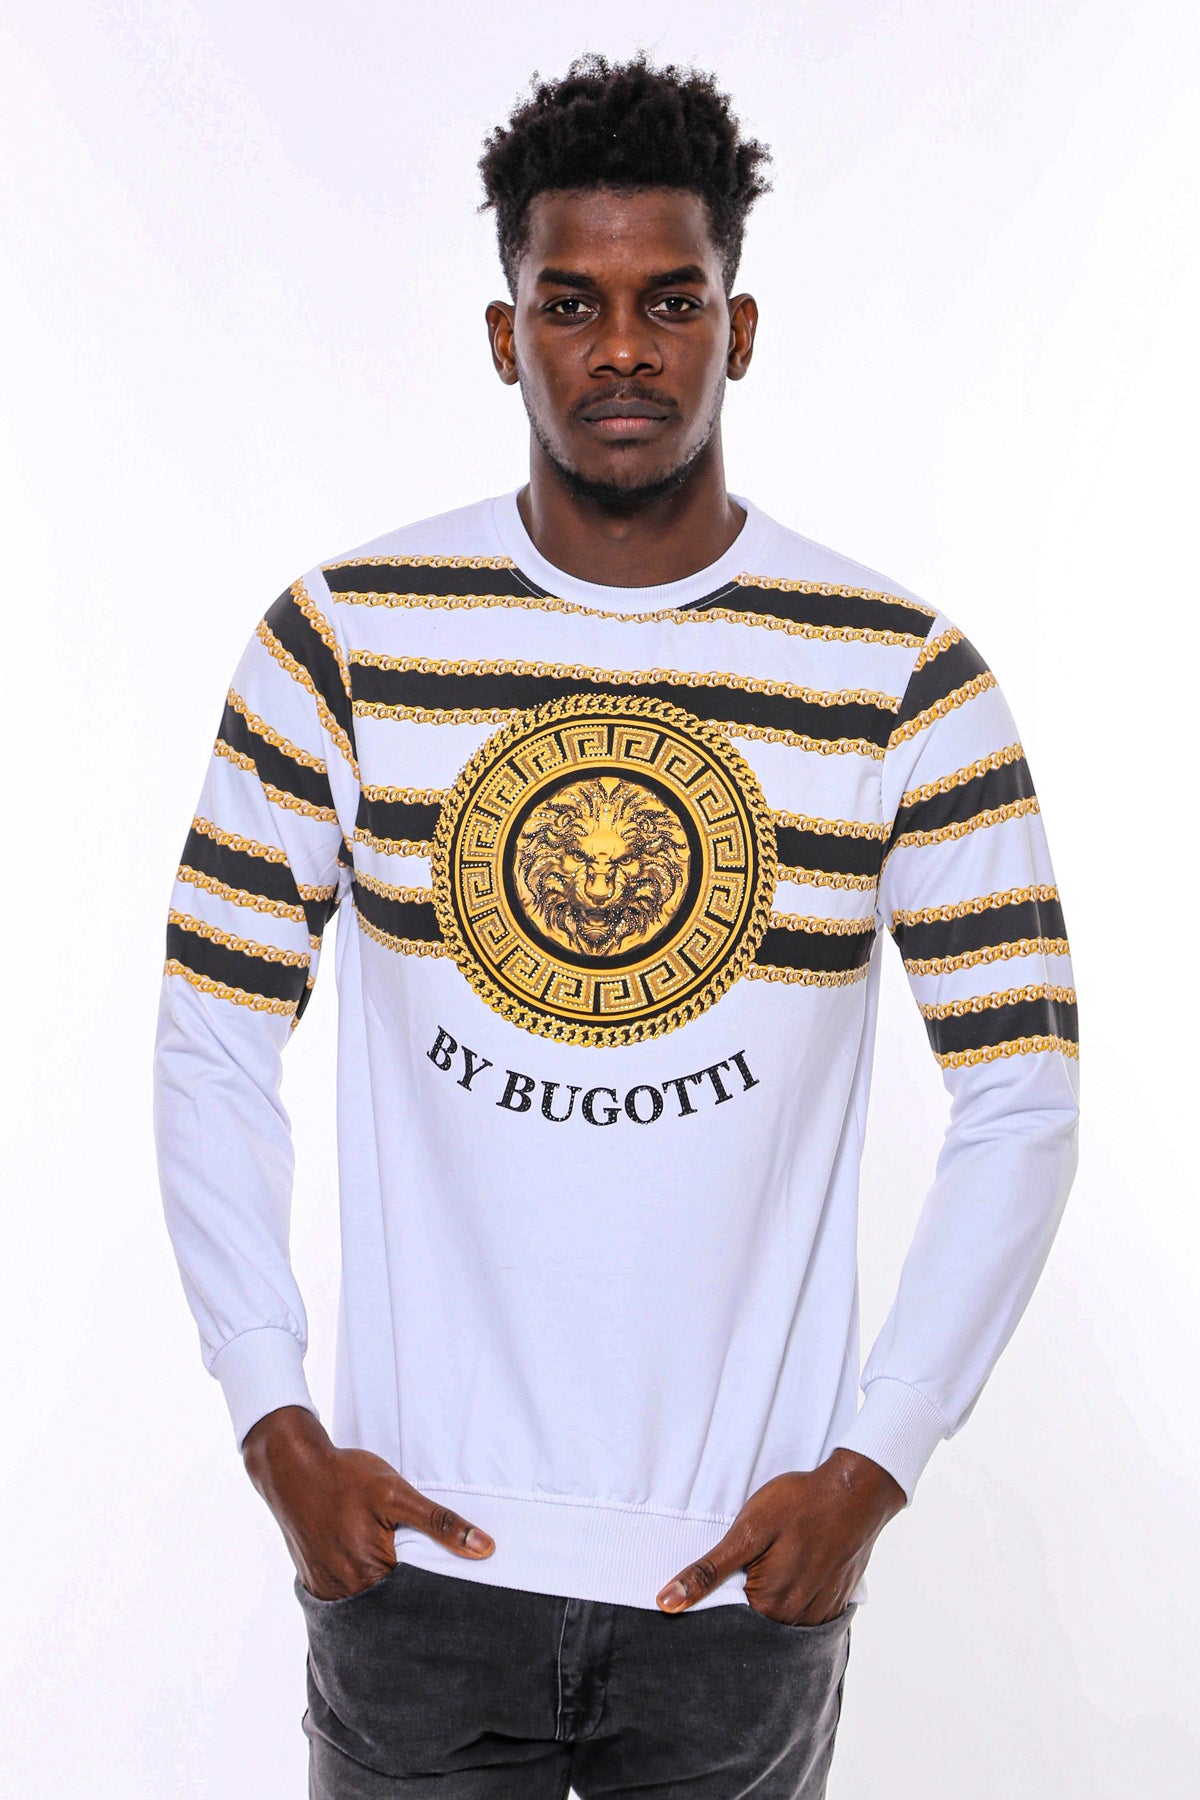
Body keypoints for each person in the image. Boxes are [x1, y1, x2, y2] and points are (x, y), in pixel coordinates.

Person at [153, 51, 1081, 1800]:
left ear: (742, 328)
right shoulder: (344, 643)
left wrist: (873, 1467)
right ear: (507, 336)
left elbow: (1023, 1093)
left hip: (742, 1579)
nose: (626, 349)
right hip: (413, 1566)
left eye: (673, 299)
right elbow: (212, 1040)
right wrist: (276, 1426)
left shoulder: (898, 675)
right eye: (571, 303)